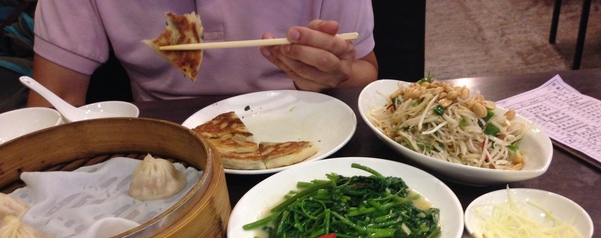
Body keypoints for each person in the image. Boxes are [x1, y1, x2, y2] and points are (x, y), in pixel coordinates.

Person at [26, 1, 378, 107]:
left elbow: (366, 71)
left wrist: (332, 74)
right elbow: (54, 98)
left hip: (307, 125)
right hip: (163, 147)